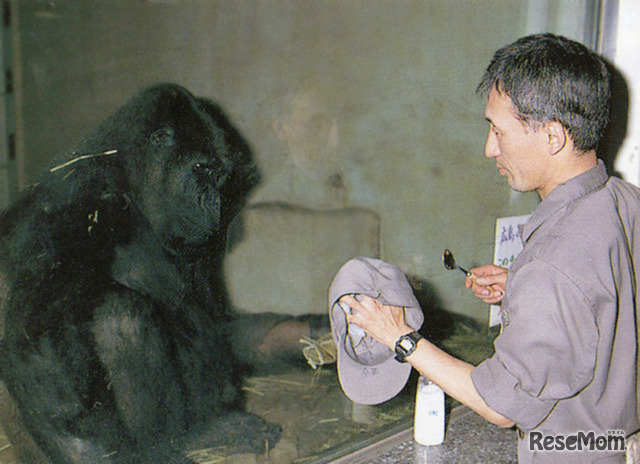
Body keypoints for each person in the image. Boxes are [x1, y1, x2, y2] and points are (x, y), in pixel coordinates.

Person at [341, 33, 639, 463]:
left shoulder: (552, 264)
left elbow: (499, 406)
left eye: (499, 131)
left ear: (553, 137)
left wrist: (400, 337)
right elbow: (603, 301)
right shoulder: (624, 201)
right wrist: (521, 287)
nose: (489, 149)